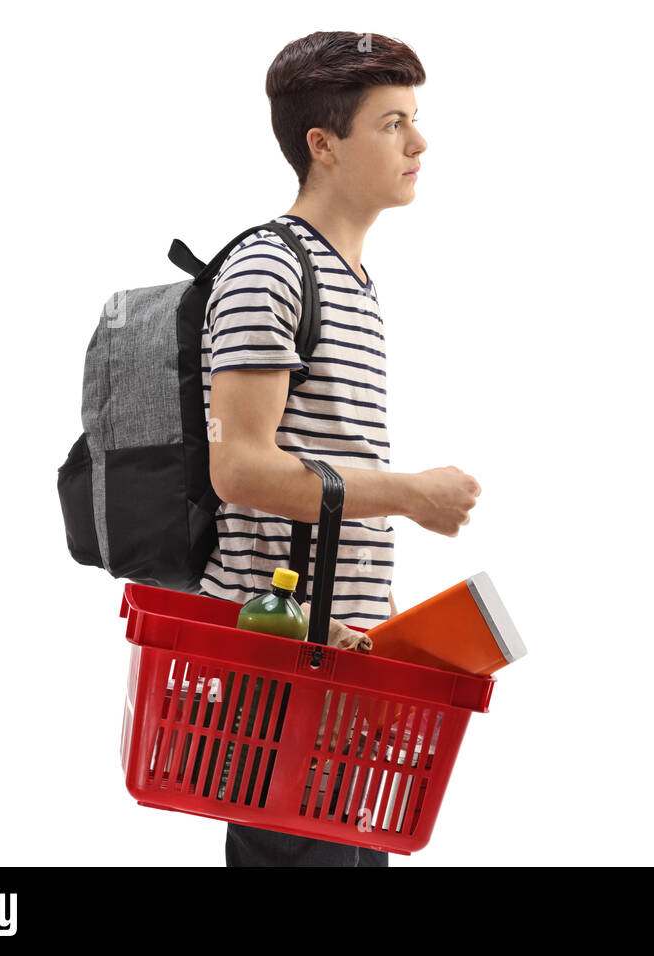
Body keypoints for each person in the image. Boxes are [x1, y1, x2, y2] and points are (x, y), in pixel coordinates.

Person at [198, 31, 482, 867]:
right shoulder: (271, 269)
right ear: (323, 145)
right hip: (271, 665)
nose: (419, 143)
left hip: (341, 659)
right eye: (393, 123)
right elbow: (239, 468)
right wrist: (409, 494)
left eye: (415, 120)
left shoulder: (351, 281)